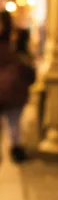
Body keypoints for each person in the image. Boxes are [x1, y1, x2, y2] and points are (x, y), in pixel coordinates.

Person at [0, 12, 35, 163]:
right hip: (14, 89)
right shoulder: (18, 41)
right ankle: (16, 149)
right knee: (14, 121)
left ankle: (15, 148)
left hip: (12, 90)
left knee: (13, 121)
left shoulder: (13, 42)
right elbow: (28, 68)